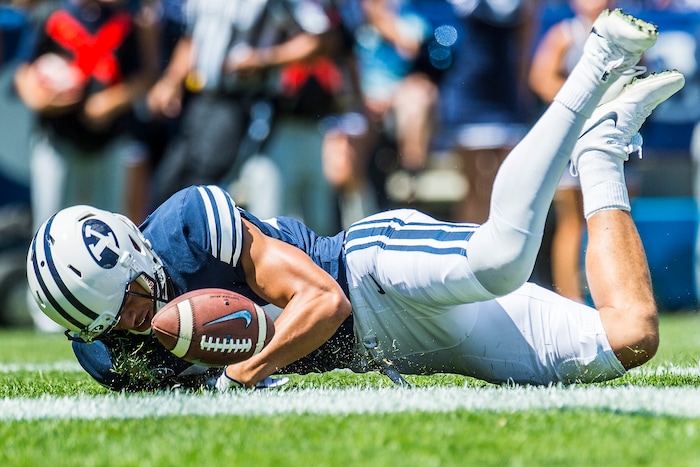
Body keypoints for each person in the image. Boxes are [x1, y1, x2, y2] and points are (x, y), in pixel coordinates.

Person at [27, 9, 683, 391]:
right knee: (630, 338)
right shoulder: (109, 354)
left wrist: (239, 375)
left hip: (371, 275)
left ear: (137, 251)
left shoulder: (189, 223)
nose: (137, 322)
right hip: (389, 348)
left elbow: (323, 300)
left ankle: (597, 61)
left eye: (137, 301)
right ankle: (600, 157)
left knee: (503, 257)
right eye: (115, 320)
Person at [528, 0, 619, 302]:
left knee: (613, 215)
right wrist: (586, 101)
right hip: (573, 137)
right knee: (573, 218)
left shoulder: (624, 33)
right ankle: (570, 299)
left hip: (612, 133)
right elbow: (541, 78)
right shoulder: (565, 34)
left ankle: (614, 296)